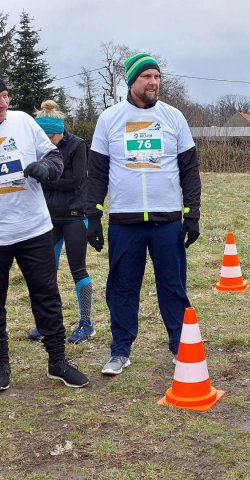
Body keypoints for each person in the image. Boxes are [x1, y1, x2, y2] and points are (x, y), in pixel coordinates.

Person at [0, 69, 89, 391]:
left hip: (34, 228)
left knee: (47, 295)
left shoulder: (23, 121)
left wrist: (47, 169)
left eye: (5, 96)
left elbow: (53, 155)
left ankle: (58, 361)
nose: (2, 104)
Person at [86, 53, 201, 375]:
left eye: (157, 76)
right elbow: (97, 172)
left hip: (167, 220)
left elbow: (189, 169)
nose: (153, 82)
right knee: (122, 286)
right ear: (132, 81)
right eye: (146, 77)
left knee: (173, 285)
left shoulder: (174, 117)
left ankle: (180, 347)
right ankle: (120, 350)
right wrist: (92, 215)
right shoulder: (110, 119)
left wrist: (192, 213)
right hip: (125, 220)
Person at [27, 100, 95, 344]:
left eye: (51, 137)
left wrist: (45, 178)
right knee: (46, 272)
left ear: (60, 132)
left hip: (75, 215)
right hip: (48, 218)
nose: (47, 143)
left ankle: (86, 323)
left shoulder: (77, 145)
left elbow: (75, 181)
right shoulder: (40, 145)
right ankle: (46, 323)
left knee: (78, 269)